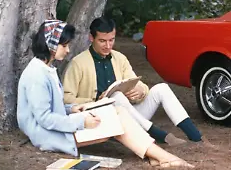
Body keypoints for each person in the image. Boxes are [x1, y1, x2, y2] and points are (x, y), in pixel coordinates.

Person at [17, 20, 193, 168]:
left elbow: (55, 107)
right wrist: (81, 120)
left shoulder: (46, 69)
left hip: (66, 124)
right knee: (116, 116)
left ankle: (158, 156)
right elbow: (44, 119)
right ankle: (161, 156)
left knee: (118, 112)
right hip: (49, 135)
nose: (68, 50)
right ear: (51, 45)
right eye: (64, 45)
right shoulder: (37, 75)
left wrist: (73, 109)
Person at [63, 17, 203, 146]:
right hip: (100, 119)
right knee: (116, 97)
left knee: (162, 88)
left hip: (129, 116)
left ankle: (195, 136)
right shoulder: (78, 63)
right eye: (102, 41)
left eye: (111, 40)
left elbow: (138, 84)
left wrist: (139, 92)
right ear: (91, 38)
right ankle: (157, 134)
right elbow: (66, 99)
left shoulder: (120, 58)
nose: (108, 45)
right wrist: (95, 101)